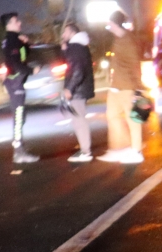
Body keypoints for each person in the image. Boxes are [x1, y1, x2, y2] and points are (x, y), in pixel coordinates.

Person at [103, 10, 145, 164]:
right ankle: (121, 148)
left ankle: (137, 151)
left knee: (133, 119)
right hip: (115, 86)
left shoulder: (128, 41)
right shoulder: (117, 39)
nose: (108, 26)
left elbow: (135, 65)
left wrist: (138, 88)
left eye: (109, 23)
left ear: (115, 24)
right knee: (112, 116)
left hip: (127, 86)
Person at [0, 12, 38, 164]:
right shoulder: (12, 40)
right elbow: (16, 64)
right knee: (19, 116)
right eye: (16, 21)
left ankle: (20, 149)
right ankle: (19, 153)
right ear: (9, 24)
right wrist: (31, 70)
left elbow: (23, 55)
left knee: (21, 117)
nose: (19, 23)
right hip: (15, 81)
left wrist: (26, 43)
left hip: (16, 81)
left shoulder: (14, 40)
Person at [60, 22, 95, 163]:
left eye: (65, 32)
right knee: (78, 118)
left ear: (71, 32)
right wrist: (64, 50)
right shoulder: (79, 46)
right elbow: (73, 64)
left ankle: (86, 151)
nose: (63, 35)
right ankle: (85, 149)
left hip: (78, 90)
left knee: (79, 119)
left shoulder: (75, 47)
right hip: (82, 88)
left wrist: (70, 88)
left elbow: (77, 71)